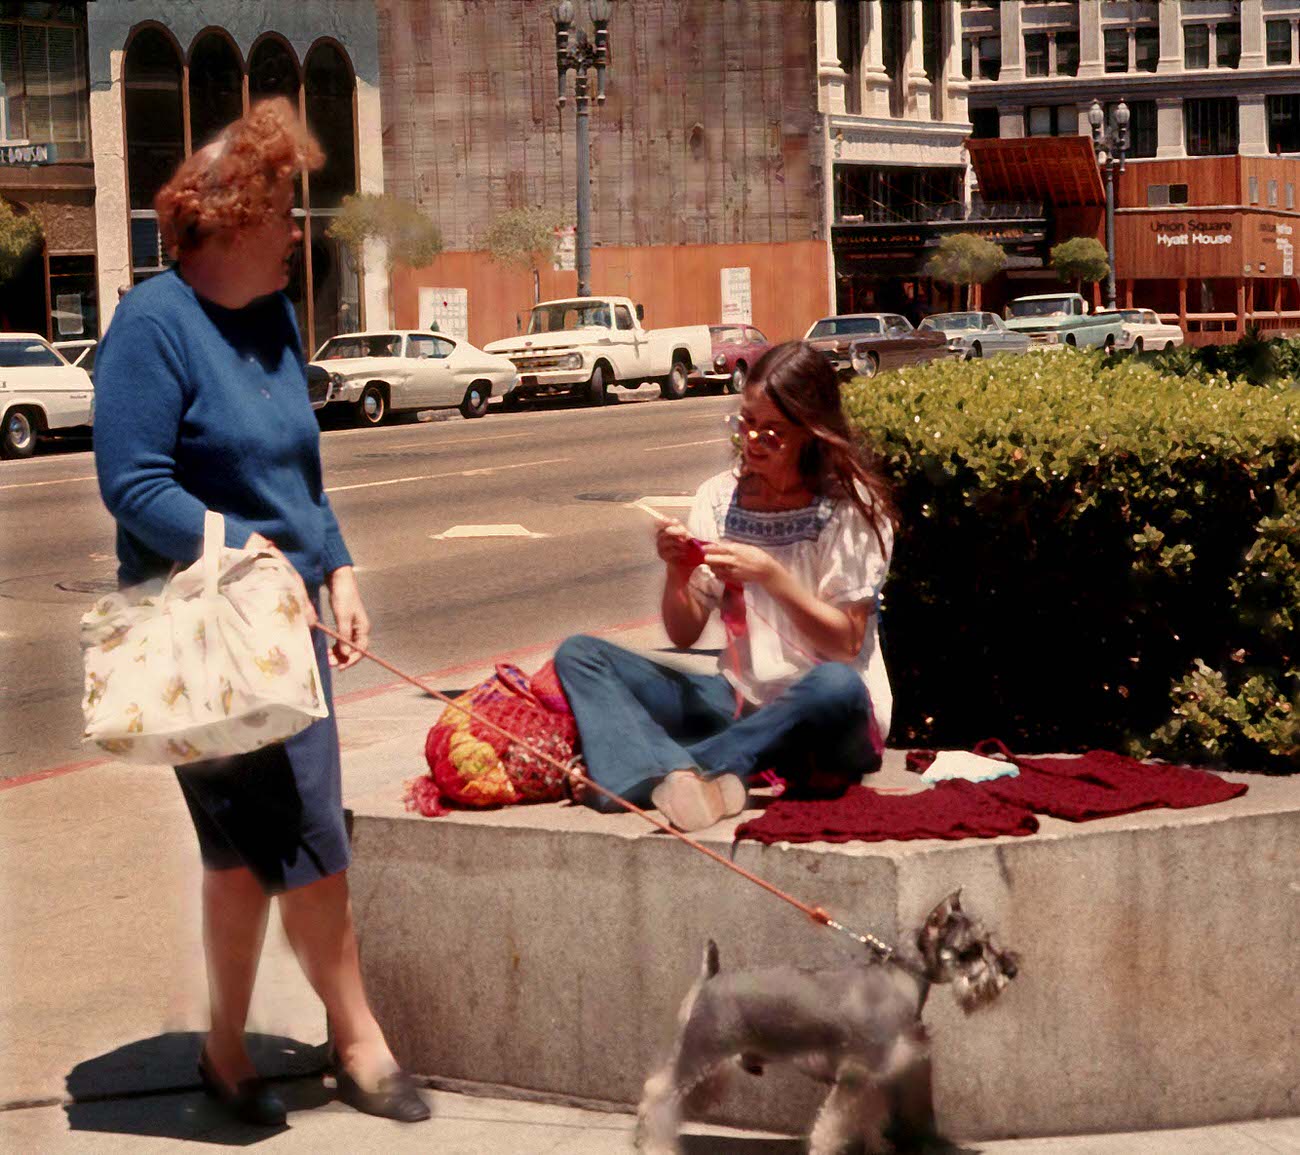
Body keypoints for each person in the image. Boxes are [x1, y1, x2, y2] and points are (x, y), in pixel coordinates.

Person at [92, 100, 428, 1126]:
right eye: (285, 213)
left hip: (284, 620)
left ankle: (228, 1048)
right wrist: (243, 548)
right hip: (205, 632)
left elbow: (299, 476)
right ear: (231, 222)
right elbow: (132, 484)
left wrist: (339, 569)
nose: (298, 233)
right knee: (295, 834)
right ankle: (358, 1039)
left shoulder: (276, 321)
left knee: (249, 850)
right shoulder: (153, 327)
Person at [554, 341, 896, 832]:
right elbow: (684, 634)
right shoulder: (719, 499)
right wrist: (677, 572)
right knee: (581, 655)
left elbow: (845, 643)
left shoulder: (850, 506)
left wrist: (771, 576)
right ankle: (686, 776)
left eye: (771, 432)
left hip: (828, 714)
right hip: (737, 701)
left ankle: (666, 771)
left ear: (810, 432)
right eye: (745, 423)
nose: (752, 440)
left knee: (834, 686)